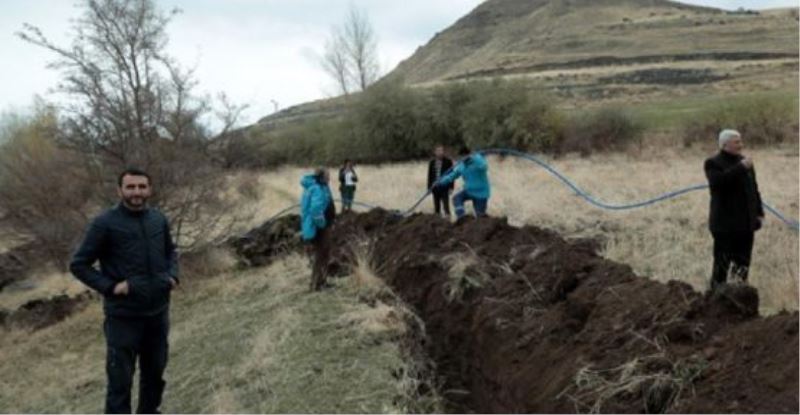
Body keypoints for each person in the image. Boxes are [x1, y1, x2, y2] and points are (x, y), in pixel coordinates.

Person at [70, 168, 178, 414]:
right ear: (120, 191)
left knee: (155, 375)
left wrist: (172, 275)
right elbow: (79, 264)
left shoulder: (158, 219)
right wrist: (111, 286)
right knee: (120, 382)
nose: (136, 192)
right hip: (123, 318)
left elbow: (171, 251)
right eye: (130, 187)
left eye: (141, 186)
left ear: (149, 189)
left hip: (158, 314)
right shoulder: (105, 223)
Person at [704, 129, 764, 291]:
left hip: (745, 224)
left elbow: (754, 190)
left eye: (740, 141)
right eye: (736, 142)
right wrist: (741, 168)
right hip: (725, 226)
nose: (741, 145)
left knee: (742, 264)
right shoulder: (713, 163)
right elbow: (718, 183)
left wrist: (759, 213)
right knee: (722, 265)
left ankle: (738, 297)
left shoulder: (746, 163)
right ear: (724, 145)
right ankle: (716, 298)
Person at [301, 168, 336, 291]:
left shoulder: (319, 186)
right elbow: (316, 210)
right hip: (319, 228)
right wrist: (322, 224)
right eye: (327, 175)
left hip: (321, 227)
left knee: (323, 255)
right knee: (321, 255)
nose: (329, 178)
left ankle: (321, 281)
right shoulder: (316, 189)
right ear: (321, 177)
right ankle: (317, 284)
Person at [436, 146, 491, 219]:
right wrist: (441, 181)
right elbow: (453, 175)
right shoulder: (462, 165)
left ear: (468, 155)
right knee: (456, 198)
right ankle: (462, 217)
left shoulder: (478, 160)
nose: (461, 158)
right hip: (469, 191)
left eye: (463, 156)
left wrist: (474, 157)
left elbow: (484, 166)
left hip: (481, 193)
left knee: (480, 216)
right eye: (460, 157)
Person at [427, 144, 455, 217]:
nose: (440, 152)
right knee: (437, 207)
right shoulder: (432, 163)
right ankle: (437, 221)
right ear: (435, 152)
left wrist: (451, 187)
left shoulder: (448, 162)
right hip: (435, 187)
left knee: (446, 206)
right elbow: (430, 175)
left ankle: (448, 220)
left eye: (441, 150)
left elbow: (452, 175)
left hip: (444, 187)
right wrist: (429, 187)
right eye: (438, 151)